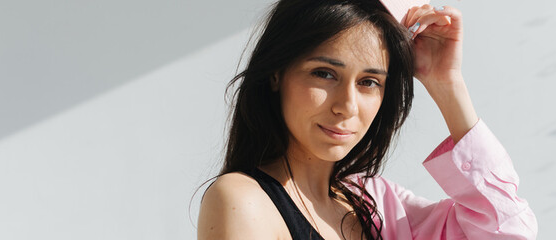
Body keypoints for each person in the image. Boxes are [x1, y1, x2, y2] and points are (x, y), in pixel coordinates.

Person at [196, 0, 538, 239]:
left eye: (369, 82)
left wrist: (446, 84)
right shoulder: (243, 200)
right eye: (324, 74)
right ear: (276, 74)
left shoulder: (376, 205)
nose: (347, 105)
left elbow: (507, 231)